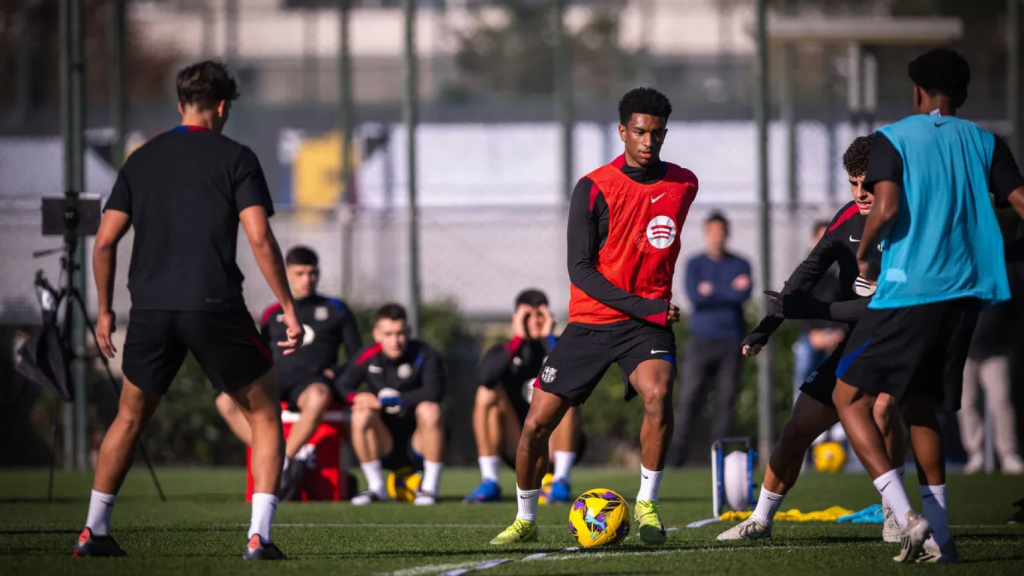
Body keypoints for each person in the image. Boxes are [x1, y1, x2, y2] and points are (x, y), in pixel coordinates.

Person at [76, 61, 301, 560]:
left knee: (129, 418)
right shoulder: (237, 157)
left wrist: (106, 310)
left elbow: (105, 242)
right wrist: (287, 305)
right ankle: (259, 538)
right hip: (213, 305)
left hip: (151, 309)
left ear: (180, 105)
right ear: (222, 107)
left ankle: (94, 531)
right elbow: (259, 236)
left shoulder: (140, 160)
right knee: (266, 414)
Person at [833, 48, 1024, 563]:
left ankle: (905, 515)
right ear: (961, 95)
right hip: (967, 294)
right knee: (920, 406)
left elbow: (888, 206)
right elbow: (1022, 202)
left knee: (847, 398)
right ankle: (943, 539)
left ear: (917, 91)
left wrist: (868, 252)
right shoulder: (986, 141)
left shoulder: (893, 138)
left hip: (909, 289)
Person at [490, 87, 696, 545]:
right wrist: (647, 304)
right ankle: (525, 518)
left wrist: (649, 309)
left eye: (657, 134)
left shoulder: (685, 184)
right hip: (591, 321)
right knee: (535, 425)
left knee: (658, 395)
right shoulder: (594, 187)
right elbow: (579, 270)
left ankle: (647, 505)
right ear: (622, 131)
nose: (648, 141)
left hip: (645, 327)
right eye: (640, 132)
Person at [716, 136, 905, 543]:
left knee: (885, 410)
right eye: (853, 183)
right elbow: (804, 276)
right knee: (799, 425)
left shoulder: (909, 221)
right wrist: (765, 329)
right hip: (858, 340)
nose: (860, 193)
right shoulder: (846, 219)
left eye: (868, 183)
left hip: (903, 338)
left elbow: (890, 306)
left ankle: (897, 511)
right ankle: (761, 520)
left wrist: (816, 312)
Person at [215, 245, 362, 499]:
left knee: (318, 398)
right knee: (224, 402)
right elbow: (258, 353)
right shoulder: (273, 313)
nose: (307, 279)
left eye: (312, 273)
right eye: (300, 273)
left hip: (311, 383)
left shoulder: (336, 309)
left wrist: (337, 376)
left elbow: (358, 355)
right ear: (286, 274)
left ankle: (283, 460)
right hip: (274, 380)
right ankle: (273, 455)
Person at [464, 289, 583, 504]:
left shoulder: (559, 345)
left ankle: (561, 481)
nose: (535, 320)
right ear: (516, 319)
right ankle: (490, 480)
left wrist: (548, 337)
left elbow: (572, 374)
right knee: (487, 393)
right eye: (527, 316)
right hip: (518, 444)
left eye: (540, 315)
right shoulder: (506, 350)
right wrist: (519, 338)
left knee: (568, 390)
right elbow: (486, 377)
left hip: (554, 445)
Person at [336, 304, 446, 506]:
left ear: (409, 332)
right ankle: (376, 487)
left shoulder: (425, 355)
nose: (395, 341)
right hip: (383, 444)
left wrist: (393, 399)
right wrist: (357, 398)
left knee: (430, 409)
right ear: (377, 334)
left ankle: (429, 488)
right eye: (388, 334)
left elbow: (434, 391)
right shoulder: (367, 356)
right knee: (360, 412)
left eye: (400, 334)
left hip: (418, 444)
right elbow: (342, 385)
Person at [668, 213, 751, 465]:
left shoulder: (741, 263)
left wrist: (713, 290)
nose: (717, 236)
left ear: (727, 234)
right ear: (706, 234)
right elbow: (696, 296)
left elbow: (742, 295)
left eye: (721, 231)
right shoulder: (694, 264)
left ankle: (719, 459)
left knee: (726, 401)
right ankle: (676, 459)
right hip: (701, 340)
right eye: (712, 231)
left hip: (731, 340)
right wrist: (728, 289)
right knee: (689, 398)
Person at [959, 300, 1023, 475]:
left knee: (1001, 401)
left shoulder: (1002, 278)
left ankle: (1008, 454)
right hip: (964, 351)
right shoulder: (962, 279)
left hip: (996, 351)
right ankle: (975, 454)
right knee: (966, 403)